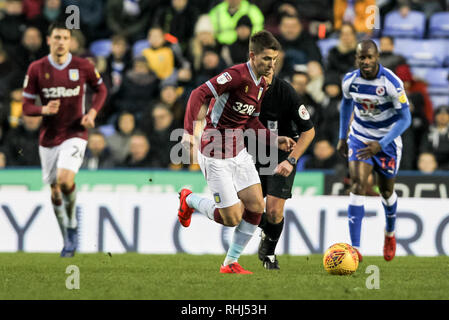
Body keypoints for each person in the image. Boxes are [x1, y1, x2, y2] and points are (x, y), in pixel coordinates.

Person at [178, 30, 295, 274]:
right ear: (253, 56)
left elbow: (251, 122)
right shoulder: (235, 75)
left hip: (238, 152)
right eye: (266, 59)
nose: (271, 65)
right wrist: (188, 132)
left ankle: (230, 263)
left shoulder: (262, 84)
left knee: (255, 207)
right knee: (230, 218)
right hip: (213, 152)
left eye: (274, 59)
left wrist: (276, 140)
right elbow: (198, 93)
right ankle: (188, 199)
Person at [22, 21, 107, 257]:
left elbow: (101, 90)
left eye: (65, 38)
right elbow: (26, 106)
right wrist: (43, 110)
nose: (61, 42)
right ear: (49, 40)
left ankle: (72, 223)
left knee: (64, 179)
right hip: (48, 137)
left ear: (70, 41)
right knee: (55, 191)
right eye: (57, 37)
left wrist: (92, 113)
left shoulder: (83, 66)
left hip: (75, 132)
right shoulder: (36, 69)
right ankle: (68, 236)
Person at [337, 40, 411, 262]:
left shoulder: (392, 83)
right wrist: (343, 136)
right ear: (357, 59)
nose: (366, 61)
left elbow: (405, 118)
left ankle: (389, 234)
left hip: (387, 142)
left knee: (386, 192)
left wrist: (382, 142)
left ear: (377, 57)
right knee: (358, 184)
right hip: (360, 137)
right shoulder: (350, 81)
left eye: (370, 57)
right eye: (362, 58)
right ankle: (355, 249)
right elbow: (346, 104)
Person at [256, 69, 315, 270]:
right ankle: (268, 228)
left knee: (273, 211)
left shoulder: (286, 92)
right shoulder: (243, 89)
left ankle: (270, 255)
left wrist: (291, 160)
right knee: (241, 210)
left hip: (282, 153)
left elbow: (309, 131)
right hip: (250, 152)